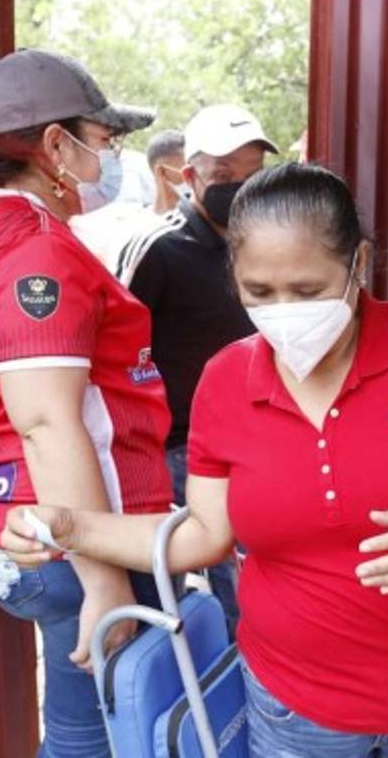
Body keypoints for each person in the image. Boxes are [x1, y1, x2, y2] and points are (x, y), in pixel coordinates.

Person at [1, 162, 388, 758]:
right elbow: (203, 535)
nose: (286, 311)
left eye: (308, 291)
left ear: (358, 264)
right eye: (259, 292)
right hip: (290, 709)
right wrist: (75, 528)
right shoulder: (227, 379)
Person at [0, 48, 172, 756]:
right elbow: (45, 419)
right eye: (104, 140)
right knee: (110, 731)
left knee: (78, 722)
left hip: (17, 517)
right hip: (64, 532)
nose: (111, 159)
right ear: (57, 145)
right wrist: (105, 578)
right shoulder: (35, 249)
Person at [125, 103, 276, 636]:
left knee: (258, 582)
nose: (240, 188)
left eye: (253, 175)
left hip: (262, 439)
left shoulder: (267, 243)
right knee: (208, 587)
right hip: (183, 451)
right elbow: (116, 351)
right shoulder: (159, 249)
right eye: (223, 176)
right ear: (189, 177)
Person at [70, 130, 188, 284]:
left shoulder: (198, 225)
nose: (192, 176)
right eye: (185, 171)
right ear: (162, 172)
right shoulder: (134, 234)